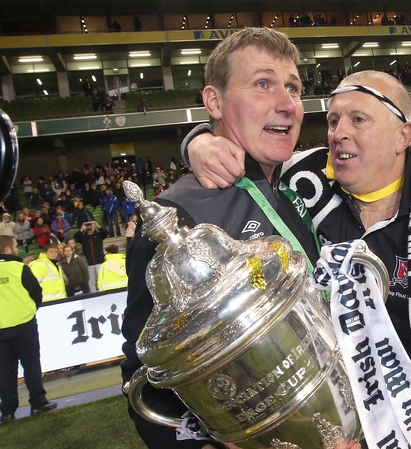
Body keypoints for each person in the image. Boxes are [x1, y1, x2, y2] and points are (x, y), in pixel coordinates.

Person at [183, 69, 411, 448]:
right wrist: (198, 140)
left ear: (404, 135)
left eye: (359, 119)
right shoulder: (300, 188)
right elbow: (243, 149)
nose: (338, 133)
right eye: (333, 120)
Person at [120, 28, 318, 449]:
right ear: (213, 101)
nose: (286, 104)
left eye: (294, 88)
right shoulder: (179, 220)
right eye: (262, 84)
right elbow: (148, 370)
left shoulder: (305, 186)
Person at [0, 236, 58, 422]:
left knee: (5, 371)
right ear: (8, 249)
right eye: (15, 245)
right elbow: (36, 293)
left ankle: (7, 412)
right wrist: (29, 310)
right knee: (31, 365)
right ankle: (38, 403)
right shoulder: (20, 269)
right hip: (23, 323)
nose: (17, 248)